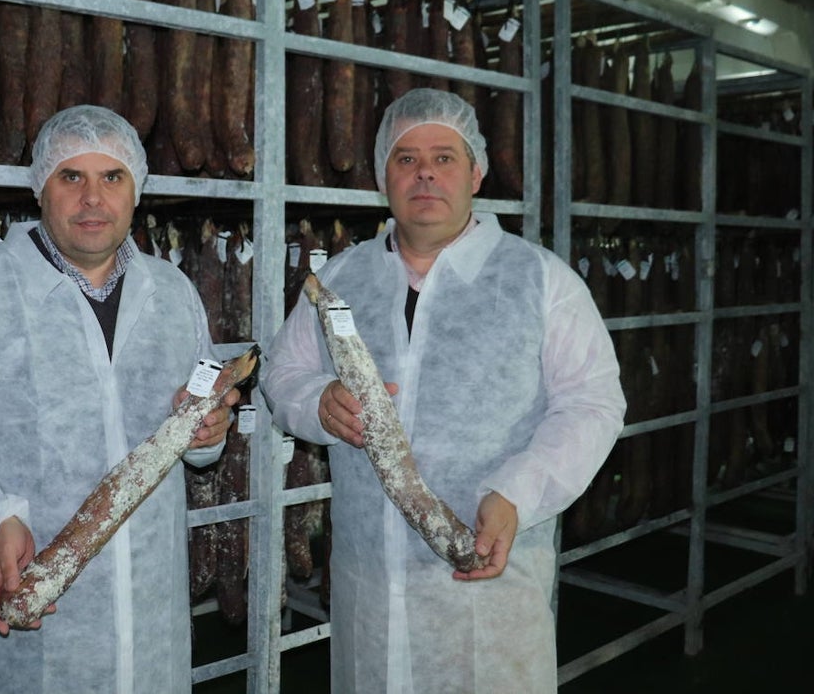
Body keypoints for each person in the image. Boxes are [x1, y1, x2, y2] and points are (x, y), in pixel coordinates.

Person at [260, 88, 626, 692]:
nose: (424, 172)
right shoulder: (339, 278)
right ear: (383, 176)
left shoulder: (539, 280)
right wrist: (316, 401)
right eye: (406, 158)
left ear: (476, 172)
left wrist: (516, 493)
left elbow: (593, 403)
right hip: (370, 587)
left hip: (487, 585)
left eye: (444, 157)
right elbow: (281, 373)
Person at [0, 105, 236, 692]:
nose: (93, 198)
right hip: (32, 618)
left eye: (111, 178)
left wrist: (206, 433)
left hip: (151, 622)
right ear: (41, 186)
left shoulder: (172, 292)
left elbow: (197, 429)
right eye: (72, 177)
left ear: (135, 190)